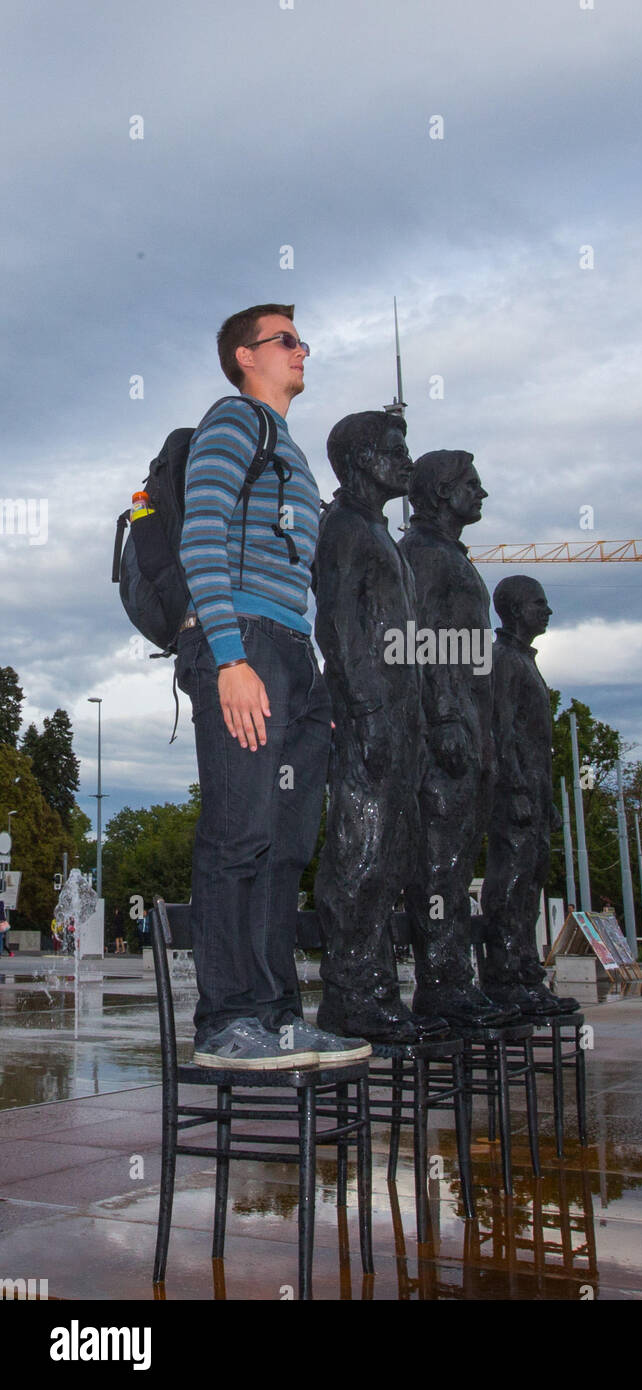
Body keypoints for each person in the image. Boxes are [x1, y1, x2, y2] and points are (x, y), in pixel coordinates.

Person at [175, 303, 369, 1069]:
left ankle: (279, 1018)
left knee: (286, 846)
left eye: (301, 339)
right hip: (242, 644)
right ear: (244, 356)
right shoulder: (233, 422)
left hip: (290, 653)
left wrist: (312, 692)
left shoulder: (288, 450)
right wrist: (229, 658)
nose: (302, 350)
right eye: (286, 340)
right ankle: (226, 1022)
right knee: (239, 834)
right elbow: (199, 536)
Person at [313, 411, 445, 1043]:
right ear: (362, 459)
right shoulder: (343, 529)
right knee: (359, 855)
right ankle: (350, 996)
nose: (407, 460)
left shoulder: (377, 533)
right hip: (373, 718)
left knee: (388, 857)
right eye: (397, 450)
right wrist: (366, 711)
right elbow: (335, 627)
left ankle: (375, 989)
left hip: (399, 717)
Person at [399, 451, 514, 1029]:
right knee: (438, 863)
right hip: (444, 727)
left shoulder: (448, 555)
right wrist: (444, 717)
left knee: (455, 858)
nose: (482, 493)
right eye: (472, 484)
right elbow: (418, 640)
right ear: (443, 492)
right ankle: (442, 984)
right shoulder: (423, 555)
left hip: (468, 722)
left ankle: (455, 978)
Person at [479, 576, 578, 1015]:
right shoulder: (503, 660)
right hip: (514, 795)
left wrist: (545, 799)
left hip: (533, 794)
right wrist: (514, 789)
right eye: (540, 603)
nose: (548, 611)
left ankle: (526, 972)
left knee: (530, 883)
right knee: (511, 884)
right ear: (517, 610)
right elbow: (498, 730)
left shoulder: (523, 660)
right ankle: (504, 977)